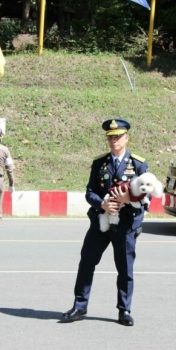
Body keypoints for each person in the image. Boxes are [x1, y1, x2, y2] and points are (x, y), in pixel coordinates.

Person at [61, 119, 148, 327]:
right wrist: (103, 204)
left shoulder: (138, 164)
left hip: (126, 224)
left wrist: (129, 200)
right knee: (86, 263)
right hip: (101, 222)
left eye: (118, 136)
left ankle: (124, 309)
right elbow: (90, 192)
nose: (114, 140)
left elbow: (147, 196)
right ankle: (79, 305)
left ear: (127, 138)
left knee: (125, 269)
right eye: (110, 137)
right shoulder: (100, 163)